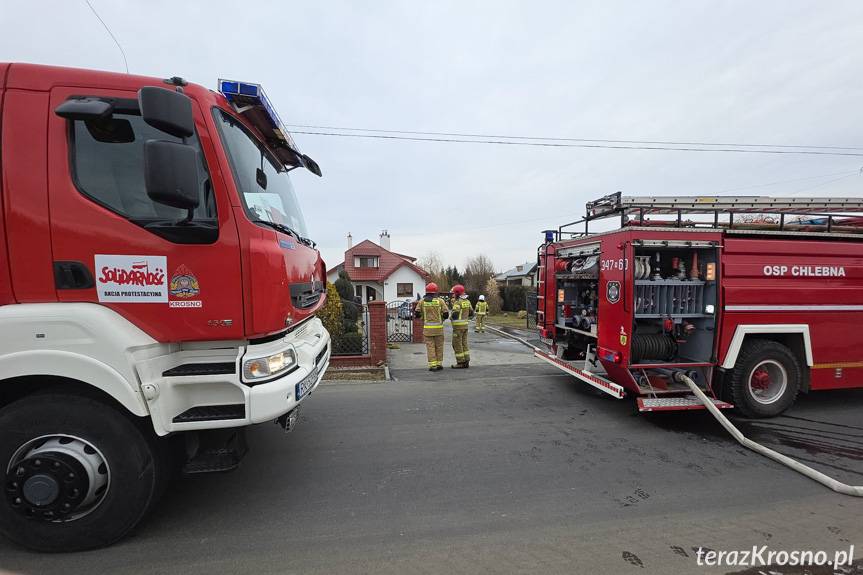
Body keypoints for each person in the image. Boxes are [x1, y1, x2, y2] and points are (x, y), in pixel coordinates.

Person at [414, 282, 449, 371]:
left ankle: (433, 365)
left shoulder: (422, 301)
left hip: (428, 330)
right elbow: (446, 314)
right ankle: (439, 364)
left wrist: (423, 317)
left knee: (430, 347)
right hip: (439, 329)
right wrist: (441, 319)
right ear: (435, 291)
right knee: (439, 346)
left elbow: (417, 314)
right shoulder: (440, 301)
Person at [449, 284, 473, 368]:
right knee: (464, 343)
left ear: (457, 293)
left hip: (458, 328)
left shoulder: (458, 302)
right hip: (465, 327)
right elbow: (471, 313)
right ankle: (466, 360)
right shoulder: (467, 301)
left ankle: (460, 362)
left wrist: (451, 317)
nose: (453, 295)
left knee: (456, 344)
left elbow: (455, 314)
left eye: (454, 293)